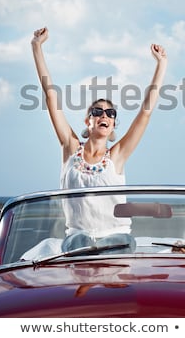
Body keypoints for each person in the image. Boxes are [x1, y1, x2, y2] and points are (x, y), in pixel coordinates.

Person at [31, 27, 168, 253]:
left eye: (110, 114)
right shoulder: (70, 148)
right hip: (78, 240)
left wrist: (161, 64)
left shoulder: (117, 156)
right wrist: (36, 47)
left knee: (117, 248)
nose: (104, 115)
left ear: (113, 125)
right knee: (81, 245)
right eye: (98, 112)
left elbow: (145, 113)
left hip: (116, 239)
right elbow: (50, 96)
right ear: (88, 121)